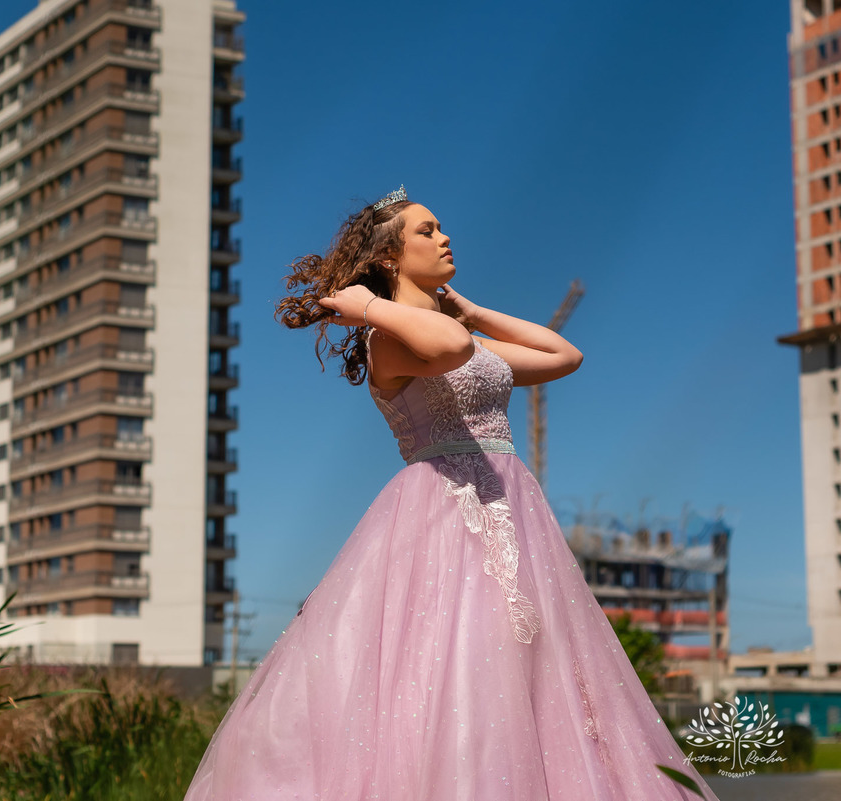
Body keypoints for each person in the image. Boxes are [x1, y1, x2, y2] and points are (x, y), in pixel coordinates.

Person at [182, 186, 719, 800]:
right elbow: (450, 349)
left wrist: (471, 308)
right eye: (426, 230)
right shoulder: (389, 337)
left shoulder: (445, 328)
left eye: (442, 228)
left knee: (533, 672)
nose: (444, 238)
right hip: (441, 515)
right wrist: (369, 310)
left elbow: (563, 354)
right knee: (460, 665)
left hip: (514, 510)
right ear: (389, 256)